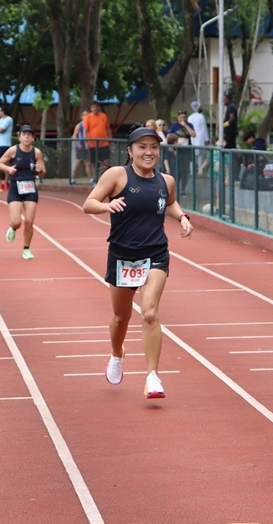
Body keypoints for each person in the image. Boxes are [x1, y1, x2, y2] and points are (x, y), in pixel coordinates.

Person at [83, 125, 194, 400]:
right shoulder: (117, 175)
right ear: (130, 150)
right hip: (122, 255)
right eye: (142, 147)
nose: (149, 152)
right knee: (122, 317)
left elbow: (169, 202)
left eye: (153, 147)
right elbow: (88, 203)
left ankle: (152, 376)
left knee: (149, 313)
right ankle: (117, 354)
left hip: (155, 253)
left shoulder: (166, 180)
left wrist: (181, 216)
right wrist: (106, 206)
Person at [0, 124, 46, 259]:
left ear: (33, 138)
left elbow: (43, 172)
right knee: (16, 222)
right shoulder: (13, 150)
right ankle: (13, 228)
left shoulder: (36, 153)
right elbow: (0, 163)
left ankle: (26, 249)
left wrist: (40, 170)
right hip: (15, 188)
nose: (26, 137)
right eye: (24, 134)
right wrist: (8, 170)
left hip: (30, 188)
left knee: (29, 221)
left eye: (29, 135)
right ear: (19, 136)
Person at [169, 110, 197, 196]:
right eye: (181, 117)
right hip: (176, 151)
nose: (182, 119)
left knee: (185, 171)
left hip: (187, 151)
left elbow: (194, 135)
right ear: (178, 117)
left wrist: (185, 125)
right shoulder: (174, 126)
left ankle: (183, 189)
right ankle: (174, 188)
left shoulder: (190, 125)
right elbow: (169, 137)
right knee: (177, 170)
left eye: (184, 117)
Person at [84, 102, 112, 183]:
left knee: (106, 160)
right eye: (93, 107)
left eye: (96, 106)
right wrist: (86, 142)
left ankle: (106, 178)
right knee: (94, 162)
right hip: (93, 144)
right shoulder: (88, 117)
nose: (95, 108)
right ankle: (95, 178)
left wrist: (110, 139)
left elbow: (108, 128)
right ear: (91, 108)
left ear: (99, 107)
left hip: (104, 143)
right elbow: (85, 131)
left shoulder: (104, 116)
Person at [0, 106, 14, 191]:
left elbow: (1, 130)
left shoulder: (8, 119)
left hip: (5, 144)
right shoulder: (0, 120)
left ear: (3, 111)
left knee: (5, 163)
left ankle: (6, 181)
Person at [70, 110, 94, 185]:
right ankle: (91, 180)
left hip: (87, 146)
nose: (86, 117)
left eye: (88, 115)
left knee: (78, 163)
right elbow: (74, 136)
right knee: (87, 162)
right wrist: (78, 144)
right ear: (82, 116)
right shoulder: (79, 125)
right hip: (80, 147)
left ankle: (72, 179)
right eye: (85, 115)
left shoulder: (89, 125)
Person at [188, 102, 209, 173]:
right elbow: (204, 128)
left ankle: (192, 170)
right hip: (200, 136)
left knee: (193, 154)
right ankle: (200, 168)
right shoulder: (201, 116)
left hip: (192, 136)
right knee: (200, 154)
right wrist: (207, 139)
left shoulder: (190, 117)